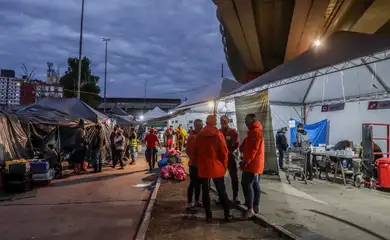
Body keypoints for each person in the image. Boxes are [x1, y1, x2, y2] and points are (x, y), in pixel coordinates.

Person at [193, 115, 233, 223]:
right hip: (216, 166)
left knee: (205, 191)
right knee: (221, 191)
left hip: (204, 167)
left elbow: (194, 151)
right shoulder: (219, 135)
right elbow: (224, 153)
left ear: (206, 122)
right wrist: (224, 167)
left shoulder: (200, 135)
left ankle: (208, 216)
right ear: (215, 123)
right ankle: (227, 214)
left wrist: (198, 163)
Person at [239, 114, 264, 219]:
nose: (245, 121)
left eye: (246, 119)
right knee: (254, 184)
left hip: (252, 164)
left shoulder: (255, 132)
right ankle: (255, 205)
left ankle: (250, 209)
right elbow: (247, 146)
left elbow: (253, 150)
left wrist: (246, 162)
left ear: (252, 119)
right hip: (254, 163)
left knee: (247, 184)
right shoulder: (253, 132)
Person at [220, 115, 240, 204]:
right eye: (221, 121)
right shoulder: (218, 132)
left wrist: (230, 152)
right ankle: (221, 196)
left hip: (230, 158)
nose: (223, 122)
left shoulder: (232, 132)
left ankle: (235, 197)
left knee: (234, 177)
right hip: (220, 158)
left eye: (225, 121)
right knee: (219, 178)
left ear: (228, 121)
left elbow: (236, 144)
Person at [186, 119, 203, 211]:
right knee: (193, 183)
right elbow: (188, 151)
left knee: (198, 183)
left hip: (201, 165)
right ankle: (189, 202)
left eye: (201, 125)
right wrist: (194, 160)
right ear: (195, 125)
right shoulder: (192, 137)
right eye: (198, 125)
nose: (200, 127)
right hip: (193, 164)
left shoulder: (202, 135)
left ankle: (197, 200)